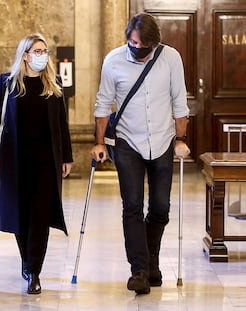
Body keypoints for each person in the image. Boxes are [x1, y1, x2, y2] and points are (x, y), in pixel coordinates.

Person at [91, 13, 190, 295]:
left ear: (154, 43)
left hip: (162, 140)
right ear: (127, 39)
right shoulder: (113, 60)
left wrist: (180, 138)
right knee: (132, 206)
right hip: (127, 143)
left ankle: (151, 258)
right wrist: (99, 142)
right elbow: (103, 104)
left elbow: (179, 101)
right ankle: (140, 270)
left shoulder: (170, 58)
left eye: (145, 45)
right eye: (134, 43)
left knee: (160, 209)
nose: (139, 49)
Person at [0, 33, 73, 294]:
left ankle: (34, 270)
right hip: (15, 159)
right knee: (19, 215)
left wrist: (66, 157)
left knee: (40, 216)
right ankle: (26, 260)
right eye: (37, 51)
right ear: (25, 55)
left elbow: (62, 125)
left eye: (44, 51)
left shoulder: (54, 84)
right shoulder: (8, 83)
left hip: (46, 161)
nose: (42, 55)